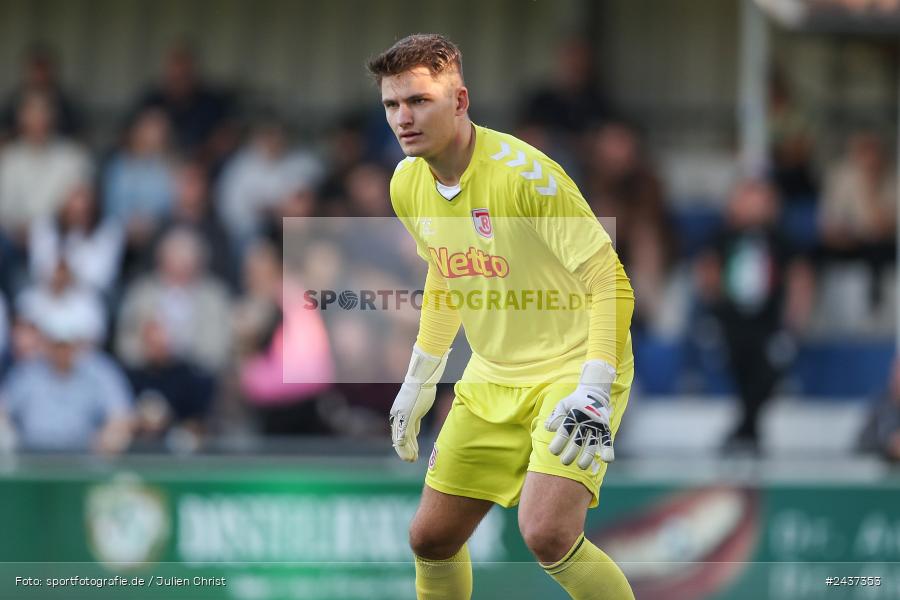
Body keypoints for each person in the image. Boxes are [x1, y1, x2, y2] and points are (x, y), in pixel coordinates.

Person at [367, 35, 635, 599]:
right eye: (392, 105)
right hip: (492, 375)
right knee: (431, 538)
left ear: (460, 102)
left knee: (547, 532)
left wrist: (593, 390)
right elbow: (447, 271)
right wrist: (421, 377)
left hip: (571, 369)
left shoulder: (525, 177)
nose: (403, 118)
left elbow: (610, 280)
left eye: (419, 101)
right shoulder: (406, 183)